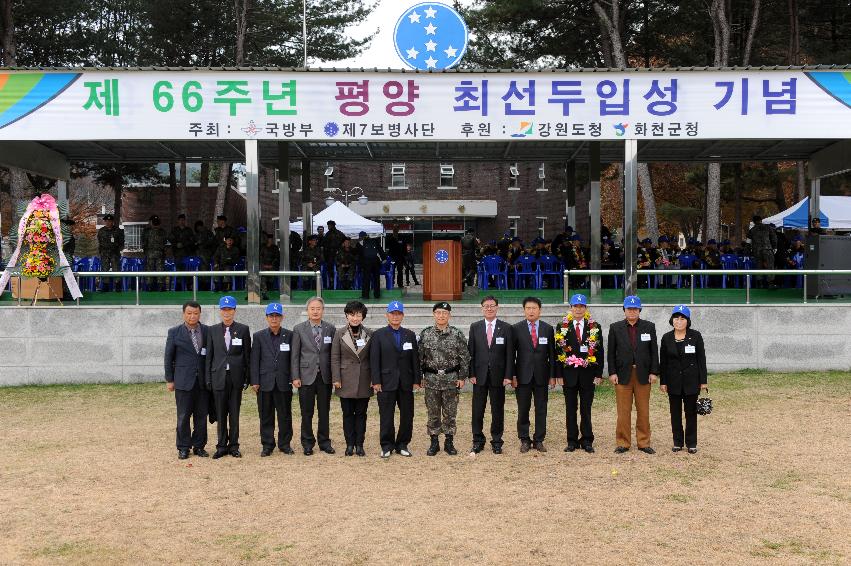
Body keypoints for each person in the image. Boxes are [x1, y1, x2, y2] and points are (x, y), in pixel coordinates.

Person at [607, 295, 659, 455]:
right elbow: (611, 353)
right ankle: (623, 442)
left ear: (639, 310)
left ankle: (644, 442)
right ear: (624, 310)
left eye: (635, 309)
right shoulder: (615, 328)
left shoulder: (649, 327)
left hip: (643, 374)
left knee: (643, 410)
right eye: (629, 309)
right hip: (622, 375)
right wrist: (612, 372)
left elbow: (653, 351)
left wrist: (654, 372)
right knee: (623, 411)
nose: (632, 311)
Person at [370, 301, 421, 458]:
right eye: (392, 313)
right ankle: (386, 445)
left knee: (407, 414)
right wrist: (376, 380)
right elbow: (374, 359)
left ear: (403, 316)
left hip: (405, 382)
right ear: (387, 315)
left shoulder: (410, 335)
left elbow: (415, 359)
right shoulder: (378, 335)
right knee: (386, 415)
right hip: (386, 382)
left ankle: (402, 444)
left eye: (398, 314)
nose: (395, 316)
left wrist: (417, 380)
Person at [419, 302, 470, 456]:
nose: (441, 316)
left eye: (445, 313)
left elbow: (465, 358)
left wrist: (462, 377)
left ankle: (449, 442)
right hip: (431, 379)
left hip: (451, 379)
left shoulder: (457, 334)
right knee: (433, 412)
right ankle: (434, 443)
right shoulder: (425, 334)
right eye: (438, 313)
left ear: (450, 315)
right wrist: (420, 376)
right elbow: (419, 358)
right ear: (434, 314)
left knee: (450, 412)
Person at [556, 294, 604, 454]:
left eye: (581, 306)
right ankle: (571, 441)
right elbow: (557, 352)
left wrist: (598, 374)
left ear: (586, 308)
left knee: (586, 408)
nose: (578, 309)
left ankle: (587, 440)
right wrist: (559, 375)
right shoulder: (561, 327)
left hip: (587, 374)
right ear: (570, 308)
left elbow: (600, 351)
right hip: (568, 375)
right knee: (570, 409)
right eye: (575, 306)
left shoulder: (594, 327)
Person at [205, 295, 251, 459]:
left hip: (236, 378)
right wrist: (208, 378)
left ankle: (234, 446)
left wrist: (248, 377)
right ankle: (221, 446)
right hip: (218, 377)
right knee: (220, 413)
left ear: (234, 311)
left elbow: (247, 356)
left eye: (230, 309)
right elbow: (209, 357)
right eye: (224, 309)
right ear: (220, 311)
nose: (227, 312)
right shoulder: (212, 330)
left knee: (234, 413)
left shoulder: (243, 329)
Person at [290, 297, 336, 455]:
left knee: (324, 411)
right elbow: (295, 355)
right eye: (312, 309)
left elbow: (333, 355)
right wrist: (295, 376)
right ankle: (307, 443)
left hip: (325, 376)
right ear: (307, 311)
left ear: (323, 310)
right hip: (305, 376)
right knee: (306, 412)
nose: (315, 311)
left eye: (318, 308)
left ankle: (324, 442)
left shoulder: (330, 328)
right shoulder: (299, 329)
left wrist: (335, 376)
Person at [467, 295, 514, 454]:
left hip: (499, 376)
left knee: (497, 409)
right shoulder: (475, 327)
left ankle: (497, 441)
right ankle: (477, 440)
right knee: (477, 409)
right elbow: (470, 352)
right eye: (486, 306)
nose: (489, 308)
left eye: (492, 305)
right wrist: (471, 373)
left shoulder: (506, 328)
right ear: (481, 308)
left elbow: (509, 354)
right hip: (479, 376)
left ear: (497, 307)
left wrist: (508, 375)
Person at [164, 301, 209, 460]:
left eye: (195, 313)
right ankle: (183, 447)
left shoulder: (207, 331)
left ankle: (199, 446)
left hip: (203, 382)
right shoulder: (174, 332)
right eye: (189, 313)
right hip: (183, 381)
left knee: (201, 416)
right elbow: (168, 357)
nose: (192, 316)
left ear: (199, 314)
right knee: (183, 416)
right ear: (184, 314)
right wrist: (169, 379)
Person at [659, 305, 708, 454]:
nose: (679, 321)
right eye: (676, 318)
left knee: (691, 413)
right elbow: (664, 362)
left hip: (691, 382)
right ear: (672, 320)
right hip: (673, 382)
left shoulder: (696, 336)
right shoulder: (666, 338)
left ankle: (691, 443)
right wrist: (663, 382)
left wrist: (703, 380)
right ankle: (677, 442)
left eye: (682, 318)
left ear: (688, 321)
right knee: (675, 413)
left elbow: (701, 359)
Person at [512, 296, 556, 453]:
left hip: (541, 376)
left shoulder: (547, 328)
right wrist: (512, 376)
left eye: (534, 308)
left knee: (541, 408)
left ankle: (539, 440)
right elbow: (511, 355)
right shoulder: (516, 329)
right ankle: (524, 439)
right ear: (524, 310)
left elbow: (552, 355)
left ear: (540, 310)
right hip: (522, 376)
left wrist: (552, 376)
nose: (531, 311)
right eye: (528, 308)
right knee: (523, 409)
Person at [250, 302, 294, 457]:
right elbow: (254, 360)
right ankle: (267, 445)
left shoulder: (289, 335)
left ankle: (285, 444)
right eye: (271, 316)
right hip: (264, 383)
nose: (274, 319)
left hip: (283, 383)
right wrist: (254, 380)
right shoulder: (258, 336)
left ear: (281, 317)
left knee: (285, 415)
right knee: (266, 415)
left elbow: (292, 359)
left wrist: (293, 378)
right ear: (266, 318)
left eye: (277, 316)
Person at [330, 300, 373, 457]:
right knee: (347, 414)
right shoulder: (339, 333)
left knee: (361, 414)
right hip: (344, 379)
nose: (355, 318)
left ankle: (360, 445)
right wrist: (336, 377)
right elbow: (334, 357)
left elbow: (372, 358)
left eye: (358, 315)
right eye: (352, 314)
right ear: (347, 316)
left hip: (364, 378)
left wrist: (373, 378)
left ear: (363, 316)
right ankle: (349, 445)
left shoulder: (369, 333)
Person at [748, 215, 777, 289]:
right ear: (761, 220)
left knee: (758, 266)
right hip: (767, 249)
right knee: (770, 266)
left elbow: (748, 241)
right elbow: (774, 237)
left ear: (754, 222)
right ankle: (770, 284)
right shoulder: (768, 227)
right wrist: (774, 247)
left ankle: (760, 284)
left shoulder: (752, 230)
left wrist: (749, 251)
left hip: (757, 251)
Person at [97, 214, 124, 291]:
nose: (108, 222)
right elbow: (99, 241)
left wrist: (118, 249)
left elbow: (121, 241)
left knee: (116, 269)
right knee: (105, 269)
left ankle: (118, 286)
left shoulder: (117, 230)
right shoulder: (101, 231)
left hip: (114, 253)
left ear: (112, 221)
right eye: (107, 221)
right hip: (104, 253)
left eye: (110, 221)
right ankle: (105, 286)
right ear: (105, 222)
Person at [143, 215, 168, 291]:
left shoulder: (147, 231)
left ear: (151, 222)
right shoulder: (162, 231)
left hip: (151, 253)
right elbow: (165, 243)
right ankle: (159, 287)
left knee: (151, 270)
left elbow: (144, 243)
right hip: (159, 253)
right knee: (159, 270)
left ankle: (150, 286)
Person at [358, 231, 386, 299]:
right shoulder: (374, 240)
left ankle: (365, 295)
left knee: (366, 279)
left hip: (367, 263)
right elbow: (380, 250)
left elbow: (360, 255)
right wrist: (384, 259)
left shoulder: (360, 243)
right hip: (375, 262)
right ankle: (377, 295)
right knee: (376, 279)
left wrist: (360, 265)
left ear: (361, 237)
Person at [322, 220, 346, 288]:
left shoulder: (339, 233)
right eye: (328, 225)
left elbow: (345, 241)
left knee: (337, 269)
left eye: (330, 225)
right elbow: (324, 245)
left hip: (337, 254)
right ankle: (332, 283)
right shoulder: (328, 234)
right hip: (329, 255)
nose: (329, 227)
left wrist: (340, 249)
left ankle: (338, 283)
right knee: (330, 270)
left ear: (333, 225)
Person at [259, 232, 280, 300]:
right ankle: (264, 291)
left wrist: (272, 265)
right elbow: (260, 257)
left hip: (272, 266)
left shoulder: (275, 248)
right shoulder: (262, 247)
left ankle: (271, 290)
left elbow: (277, 257)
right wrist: (263, 265)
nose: (270, 240)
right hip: (263, 266)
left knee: (271, 278)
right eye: (269, 239)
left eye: (271, 239)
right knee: (263, 277)